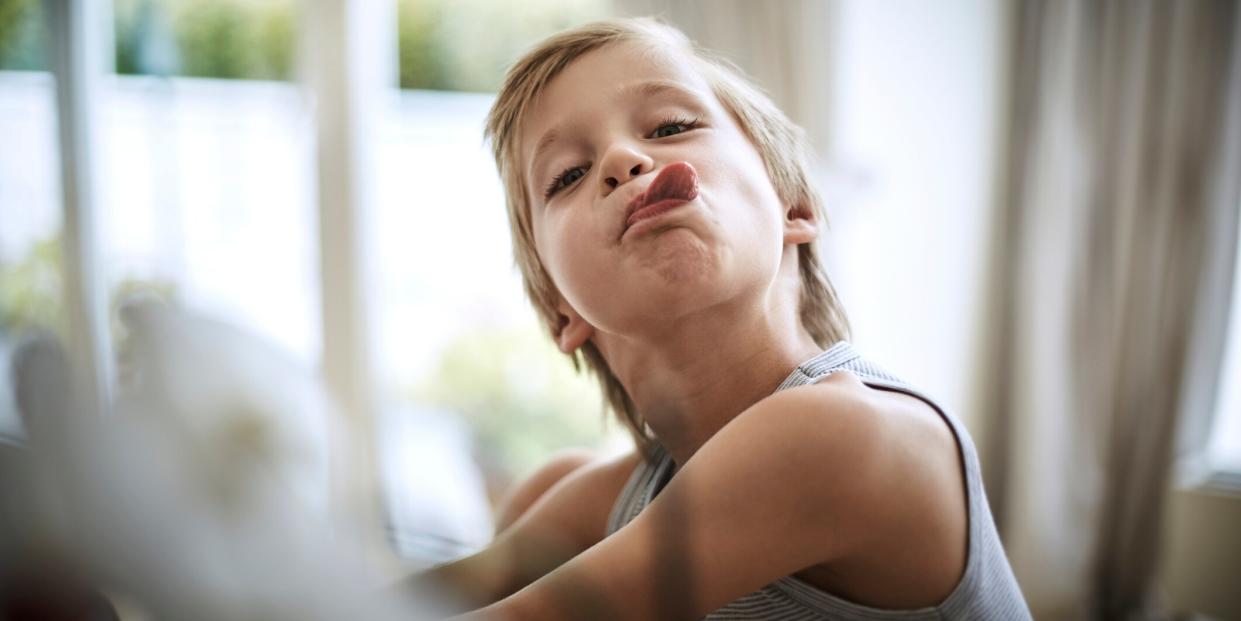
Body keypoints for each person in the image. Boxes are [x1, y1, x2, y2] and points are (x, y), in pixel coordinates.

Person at [406, 17, 1031, 620]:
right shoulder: (583, 505)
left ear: (795, 204)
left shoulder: (848, 433)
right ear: (560, 310)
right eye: (568, 174)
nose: (623, 160)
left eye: (672, 126)